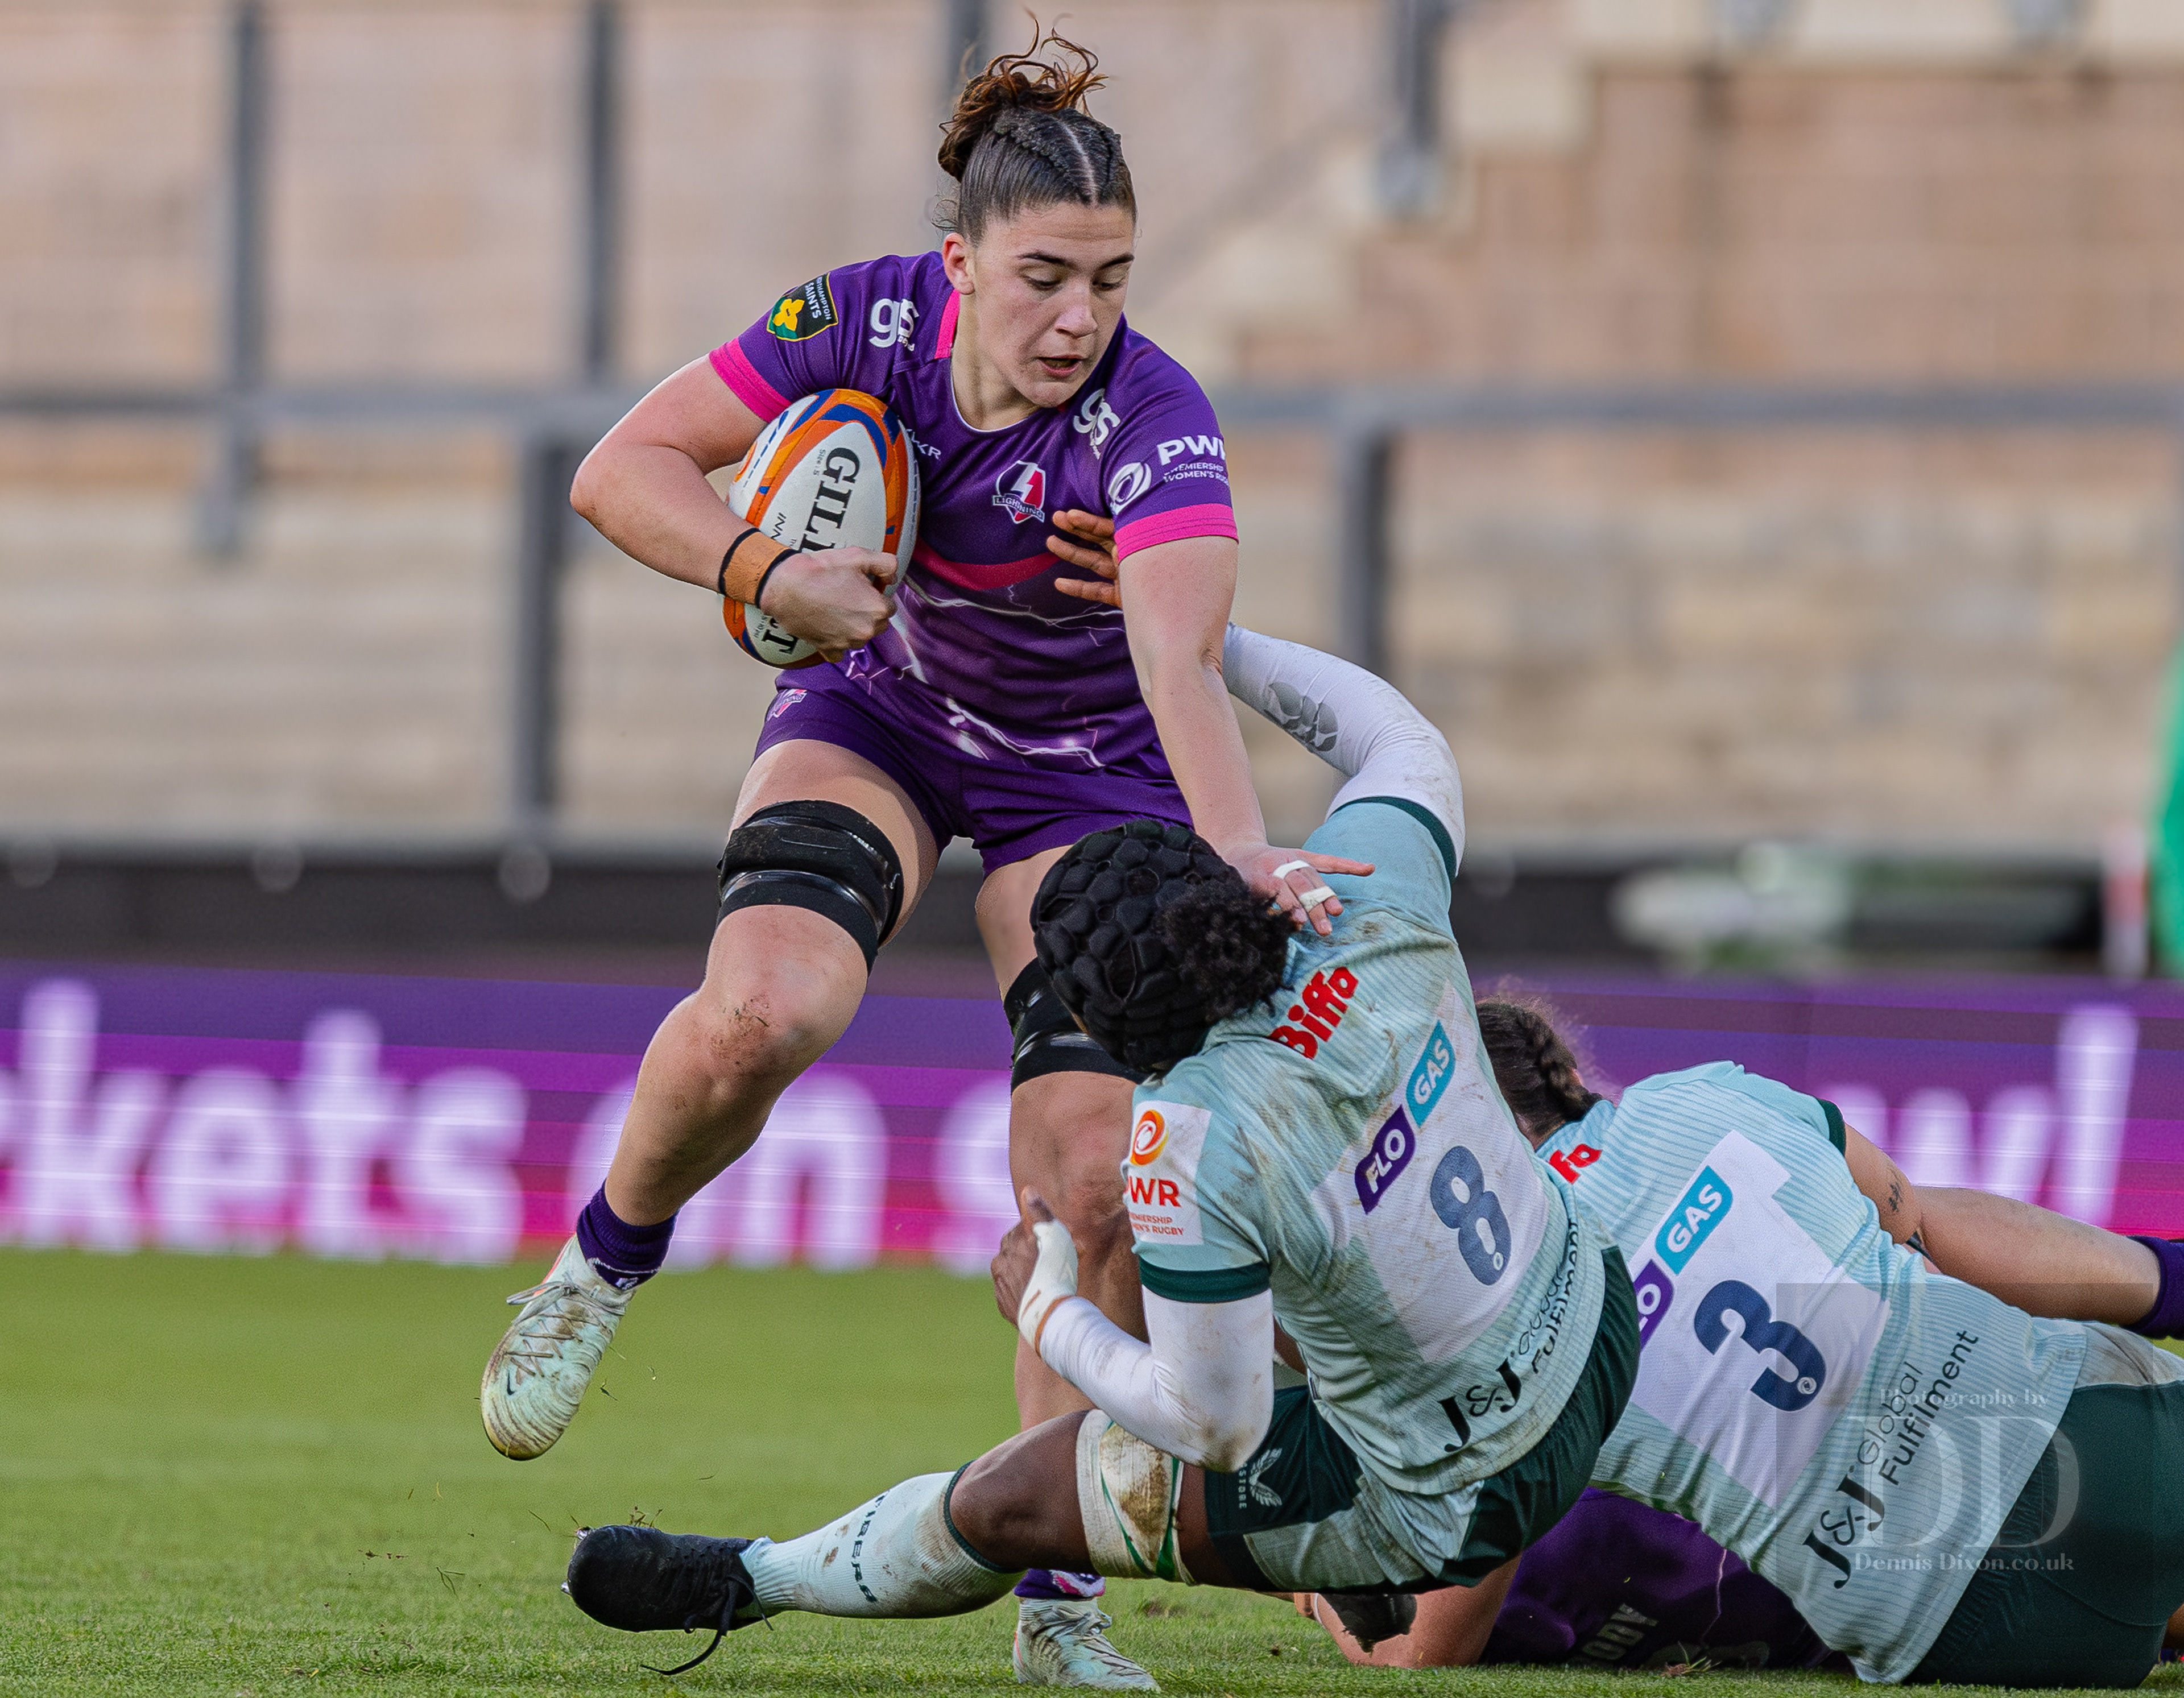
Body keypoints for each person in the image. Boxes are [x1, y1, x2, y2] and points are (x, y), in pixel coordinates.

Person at [477, 34, 1362, 1687]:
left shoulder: (1154, 413)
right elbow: (620, 470)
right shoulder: (860, 322)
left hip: (1084, 777)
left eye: (1112, 280)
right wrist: (762, 570)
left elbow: (1178, 656)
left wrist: (1238, 848)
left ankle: (1058, 1607)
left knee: (1093, 1185)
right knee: (767, 1013)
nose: (1081, 318)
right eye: (1045, 278)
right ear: (960, 265)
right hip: (878, 711)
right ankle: (601, 1262)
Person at [551, 629, 1640, 1679]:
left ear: (1110, 1034)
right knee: (1298, 1264)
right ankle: (1320, 1537)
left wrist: (1050, 1313)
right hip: (1597, 1322)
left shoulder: (1190, 1139)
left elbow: (1216, 1426)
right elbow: (1400, 736)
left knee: (1017, 1499)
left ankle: (755, 1579)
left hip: (1460, 1489)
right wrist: (1205, 641)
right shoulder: (1363, 894)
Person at [1302, 998, 2184, 1684]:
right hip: (2101, 1432)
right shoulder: (1696, 1096)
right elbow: (1909, 1218)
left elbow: (1420, 1649)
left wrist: (1312, 1581)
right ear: (1561, 1071)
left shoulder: (1487, 1331)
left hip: (1966, 1632)